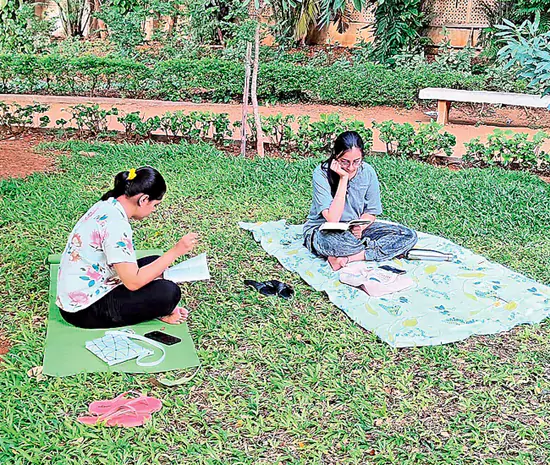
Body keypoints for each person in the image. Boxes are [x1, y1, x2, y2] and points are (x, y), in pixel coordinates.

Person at [56, 166, 198, 329]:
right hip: (82, 310)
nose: (154, 210)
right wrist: (176, 251)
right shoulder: (116, 225)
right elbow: (133, 283)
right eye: (155, 205)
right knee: (168, 292)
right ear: (144, 199)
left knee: (156, 263)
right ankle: (158, 311)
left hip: (90, 286)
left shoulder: (108, 203)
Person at [303, 131, 418, 271]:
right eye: (345, 161)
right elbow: (332, 219)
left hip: (354, 231)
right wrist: (343, 178)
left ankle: (349, 258)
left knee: (408, 235)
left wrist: (360, 228)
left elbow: (371, 212)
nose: (351, 167)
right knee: (334, 243)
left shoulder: (368, 172)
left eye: (356, 162)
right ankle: (379, 250)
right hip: (324, 231)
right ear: (335, 156)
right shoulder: (321, 173)